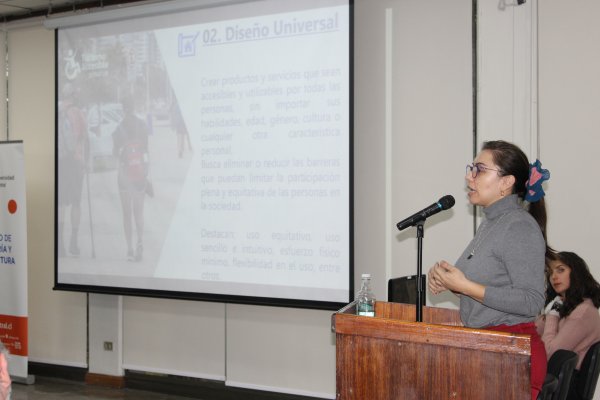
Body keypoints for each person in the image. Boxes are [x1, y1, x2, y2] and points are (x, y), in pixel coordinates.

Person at [428, 140, 551, 400]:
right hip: (490, 353)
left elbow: (531, 301)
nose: (469, 176)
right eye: (471, 168)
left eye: (479, 170)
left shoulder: (519, 226)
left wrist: (466, 286)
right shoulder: (491, 223)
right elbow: (492, 288)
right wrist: (452, 284)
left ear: (506, 182)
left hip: (511, 359)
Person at [536, 251, 600, 372]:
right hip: (552, 378)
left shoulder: (583, 311)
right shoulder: (565, 305)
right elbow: (530, 336)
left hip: (561, 381)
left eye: (560, 270)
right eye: (550, 273)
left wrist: (552, 315)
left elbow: (549, 355)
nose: (553, 277)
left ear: (576, 272)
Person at [113, 95, 151, 262]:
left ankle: (129, 249)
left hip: (124, 175)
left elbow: (115, 153)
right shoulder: (142, 126)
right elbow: (146, 151)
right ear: (134, 107)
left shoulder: (119, 129)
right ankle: (140, 242)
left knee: (127, 213)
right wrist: (146, 171)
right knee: (138, 212)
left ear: (123, 109)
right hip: (139, 174)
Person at [57, 83, 89, 257]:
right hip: (75, 162)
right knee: (76, 202)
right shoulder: (77, 113)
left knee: (61, 202)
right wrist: (86, 162)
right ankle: (73, 242)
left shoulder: (57, 111)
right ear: (74, 96)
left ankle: (60, 244)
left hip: (61, 161)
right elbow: (85, 137)